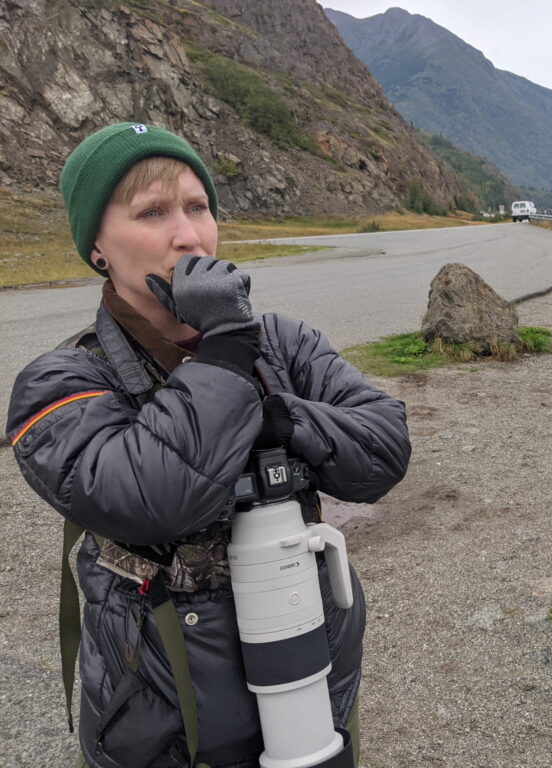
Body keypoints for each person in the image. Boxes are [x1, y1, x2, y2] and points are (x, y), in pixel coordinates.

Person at [6, 122, 411, 768]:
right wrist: (224, 353)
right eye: (152, 212)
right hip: (163, 722)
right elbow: (154, 496)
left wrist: (283, 420)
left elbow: (385, 449)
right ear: (97, 249)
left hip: (310, 688)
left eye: (198, 208)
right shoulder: (60, 383)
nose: (188, 235)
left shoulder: (281, 343)